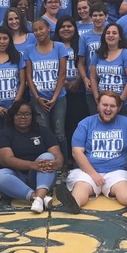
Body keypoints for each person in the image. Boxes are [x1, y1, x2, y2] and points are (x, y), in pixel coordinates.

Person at [56, 91, 127, 213]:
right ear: (98, 105)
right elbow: (76, 152)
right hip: (87, 171)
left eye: (112, 106)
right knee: (82, 187)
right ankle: (74, 204)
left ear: (119, 108)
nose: (108, 109)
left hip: (116, 171)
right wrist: (93, 174)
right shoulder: (85, 124)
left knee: (122, 188)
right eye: (105, 105)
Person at [0, 101, 64, 213]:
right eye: (19, 114)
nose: (23, 117)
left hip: (41, 177)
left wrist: (57, 162)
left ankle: (39, 196)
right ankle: (38, 198)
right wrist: (32, 165)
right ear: (13, 116)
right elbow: (6, 160)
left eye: (27, 114)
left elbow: (57, 154)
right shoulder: (4, 134)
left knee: (48, 156)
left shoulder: (43, 131)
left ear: (32, 116)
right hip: (16, 179)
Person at [25, 18, 68, 157]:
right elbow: (28, 76)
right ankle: (47, 161)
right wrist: (37, 98)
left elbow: (62, 74)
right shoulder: (29, 50)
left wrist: (55, 97)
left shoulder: (59, 47)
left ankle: (63, 165)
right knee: (43, 131)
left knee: (59, 131)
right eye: (35, 30)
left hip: (58, 98)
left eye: (41, 29)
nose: (38, 32)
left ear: (48, 28)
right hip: (38, 99)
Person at [53, 15, 87, 169]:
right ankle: (65, 159)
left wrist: (77, 81)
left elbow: (86, 64)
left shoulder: (81, 44)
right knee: (62, 126)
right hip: (60, 91)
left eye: (69, 26)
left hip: (79, 91)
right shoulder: (53, 46)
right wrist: (64, 82)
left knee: (77, 124)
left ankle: (78, 158)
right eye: (62, 27)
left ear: (75, 28)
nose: (66, 29)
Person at [90, 23, 127, 119]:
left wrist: (120, 101)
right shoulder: (98, 54)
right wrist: (97, 99)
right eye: (108, 33)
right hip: (104, 103)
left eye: (114, 33)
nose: (111, 35)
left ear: (120, 37)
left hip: (125, 103)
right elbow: (93, 78)